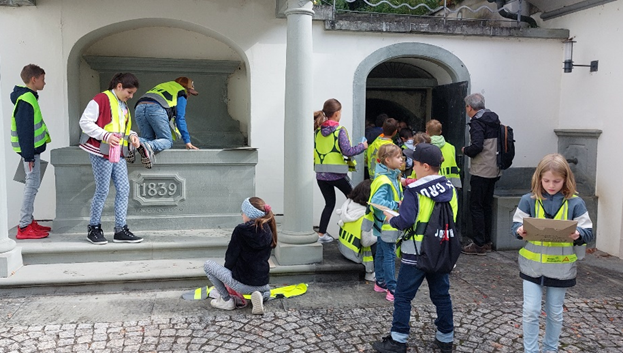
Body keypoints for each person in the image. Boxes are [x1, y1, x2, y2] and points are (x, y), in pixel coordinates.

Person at [372, 143, 457, 353]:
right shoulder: (450, 188)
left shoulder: (414, 190)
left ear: (426, 166)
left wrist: (392, 218)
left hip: (415, 254)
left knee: (403, 296)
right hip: (440, 252)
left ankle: (398, 340)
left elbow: (406, 222)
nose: (412, 166)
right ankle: (446, 338)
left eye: (416, 163)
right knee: (441, 296)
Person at [511, 153, 593, 353]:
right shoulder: (527, 200)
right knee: (530, 311)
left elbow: (588, 232)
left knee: (555, 313)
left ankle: (551, 349)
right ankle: (531, 350)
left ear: (566, 179)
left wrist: (578, 234)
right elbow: (514, 226)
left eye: (556, 181)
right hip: (532, 268)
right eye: (546, 180)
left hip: (560, 268)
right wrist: (519, 231)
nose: (551, 185)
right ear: (539, 178)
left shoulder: (576, 203)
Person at [79, 73, 144, 245]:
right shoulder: (101, 99)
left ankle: (120, 230)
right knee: (102, 190)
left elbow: (124, 129)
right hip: (101, 151)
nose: (131, 96)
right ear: (119, 86)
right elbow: (85, 122)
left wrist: (133, 136)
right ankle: (93, 228)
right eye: (129, 92)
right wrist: (105, 135)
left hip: (117, 153)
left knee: (123, 189)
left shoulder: (122, 105)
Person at [204, 197, 277, 315]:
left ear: (248, 214)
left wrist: (227, 279)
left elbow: (231, 256)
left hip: (242, 282)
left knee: (208, 265)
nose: (242, 215)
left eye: (243, 212)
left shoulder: (241, 230)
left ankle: (226, 300)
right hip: (262, 282)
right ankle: (260, 297)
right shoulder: (268, 229)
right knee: (265, 291)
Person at [314, 98, 368, 243]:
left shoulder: (317, 131)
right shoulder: (339, 131)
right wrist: (363, 146)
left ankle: (321, 234)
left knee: (329, 204)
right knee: (356, 200)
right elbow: (348, 151)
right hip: (337, 175)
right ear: (337, 113)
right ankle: (354, 232)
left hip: (321, 175)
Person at [10, 64, 52, 239]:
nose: (45, 82)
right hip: (30, 153)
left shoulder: (29, 97)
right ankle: (25, 226)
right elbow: (25, 130)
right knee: (31, 186)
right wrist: (28, 156)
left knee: (32, 185)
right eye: (43, 79)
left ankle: (29, 221)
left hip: (32, 151)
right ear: (33, 79)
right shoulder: (27, 99)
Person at [362, 144, 403, 302]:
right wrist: (397, 205)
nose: (401, 160)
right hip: (387, 224)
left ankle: (380, 282)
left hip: (382, 224)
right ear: (387, 160)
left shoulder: (389, 177)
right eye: (398, 157)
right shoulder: (386, 180)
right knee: (389, 255)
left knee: (381, 253)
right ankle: (392, 288)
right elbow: (377, 201)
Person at [461, 93, 501, 255]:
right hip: (495, 168)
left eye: (466, 107)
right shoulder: (493, 119)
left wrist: (465, 150)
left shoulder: (477, 122)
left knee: (476, 206)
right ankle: (487, 241)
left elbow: (477, 146)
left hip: (482, 169)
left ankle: (478, 244)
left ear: (470, 107)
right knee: (486, 205)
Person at [133, 77, 200, 168]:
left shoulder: (165, 85)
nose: (189, 96)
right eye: (189, 93)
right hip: (156, 108)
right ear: (186, 89)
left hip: (139, 107)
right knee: (167, 141)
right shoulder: (181, 92)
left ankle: (130, 142)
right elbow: (180, 118)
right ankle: (147, 145)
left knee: (148, 138)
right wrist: (187, 141)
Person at [336, 179, 376, 282]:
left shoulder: (349, 205)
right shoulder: (365, 216)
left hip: (344, 248)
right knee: (386, 238)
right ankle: (370, 272)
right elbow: (366, 242)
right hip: (356, 255)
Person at [426, 119, 462, 189]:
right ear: (440, 132)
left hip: (431, 185)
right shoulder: (451, 147)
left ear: (427, 132)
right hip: (449, 184)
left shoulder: (424, 147)